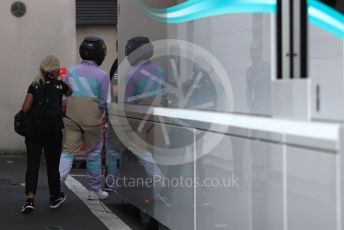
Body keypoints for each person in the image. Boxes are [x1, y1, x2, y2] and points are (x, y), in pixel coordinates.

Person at [59, 36, 110, 200]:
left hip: (72, 119)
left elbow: (64, 97)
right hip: (92, 120)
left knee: (67, 151)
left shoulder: (72, 71)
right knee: (94, 153)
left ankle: (56, 183)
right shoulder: (102, 75)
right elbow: (104, 102)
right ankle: (94, 191)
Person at [20, 55, 73, 214]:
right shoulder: (59, 85)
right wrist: (60, 80)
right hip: (53, 131)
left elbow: (25, 108)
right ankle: (55, 196)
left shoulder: (35, 84)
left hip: (34, 131)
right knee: (52, 165)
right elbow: (70, 92)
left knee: (32, 165)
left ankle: (30, 200)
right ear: (55, 69)